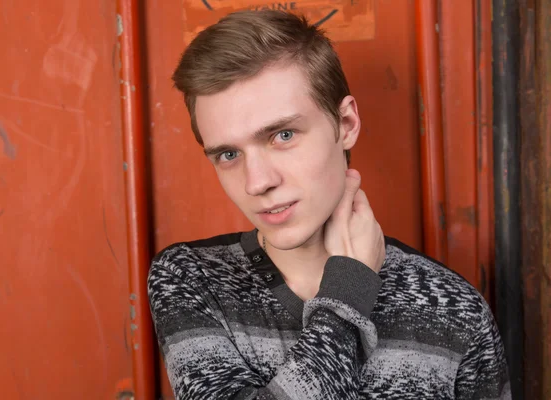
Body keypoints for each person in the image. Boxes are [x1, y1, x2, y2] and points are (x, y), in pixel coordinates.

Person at [147, 10, 510, 400]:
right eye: (228, 154)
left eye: (283, 135)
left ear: (347, 123)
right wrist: (347, 294)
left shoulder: (452, 307)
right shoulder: (192, 280)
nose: (257, 182)